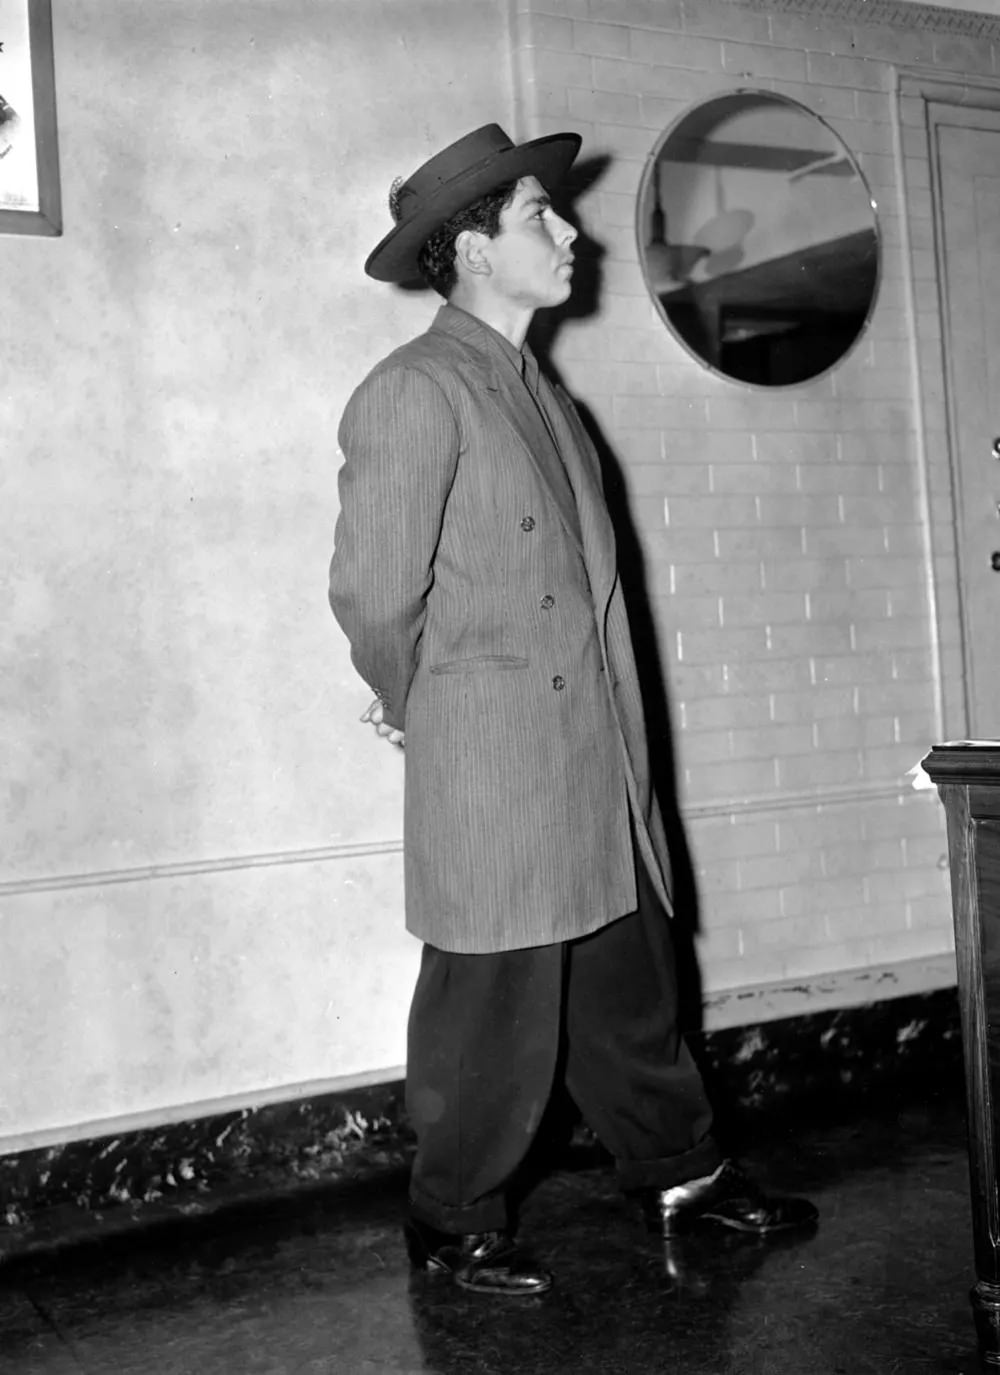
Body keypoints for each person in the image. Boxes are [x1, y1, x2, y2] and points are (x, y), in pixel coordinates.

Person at [328, 124, 816, 1298]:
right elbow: (373, 594)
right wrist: (431, 710)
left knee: (627, 977)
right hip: (498, 755)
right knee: (490, 1003)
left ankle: (680, 1172)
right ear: (473, 251)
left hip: (595, 750)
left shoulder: (543, 395)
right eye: (540, 215)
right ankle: (450, 1218)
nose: (570, 232)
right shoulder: (413, 390)